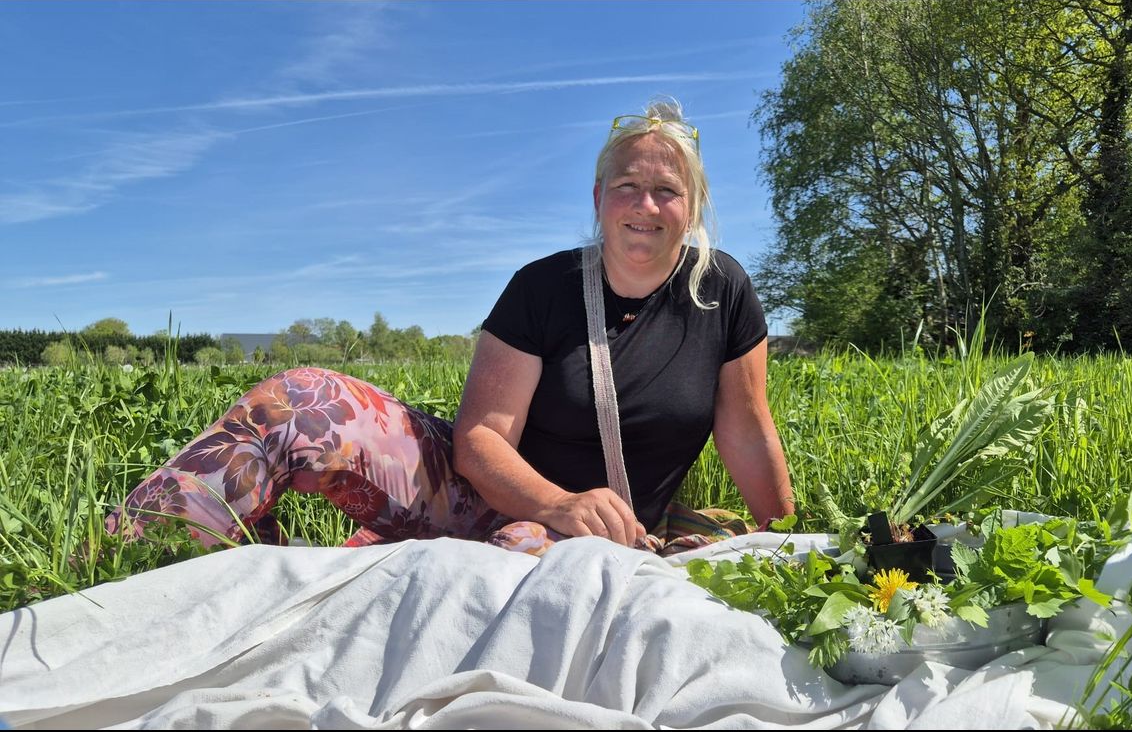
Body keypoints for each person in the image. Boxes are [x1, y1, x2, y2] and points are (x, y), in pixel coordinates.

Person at [106, 97, 796, 557]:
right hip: (489, 497)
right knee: (297, 405)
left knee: (526, 567)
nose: (644, 205)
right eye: (626, 186)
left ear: (693, 205)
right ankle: (130, 564)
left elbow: (747, 428)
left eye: (667, 190)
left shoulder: (721, 291)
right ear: (597, 199)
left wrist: (800, 547)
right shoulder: (543, 288)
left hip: (594, 538)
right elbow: (481, 440)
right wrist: (559, 501)